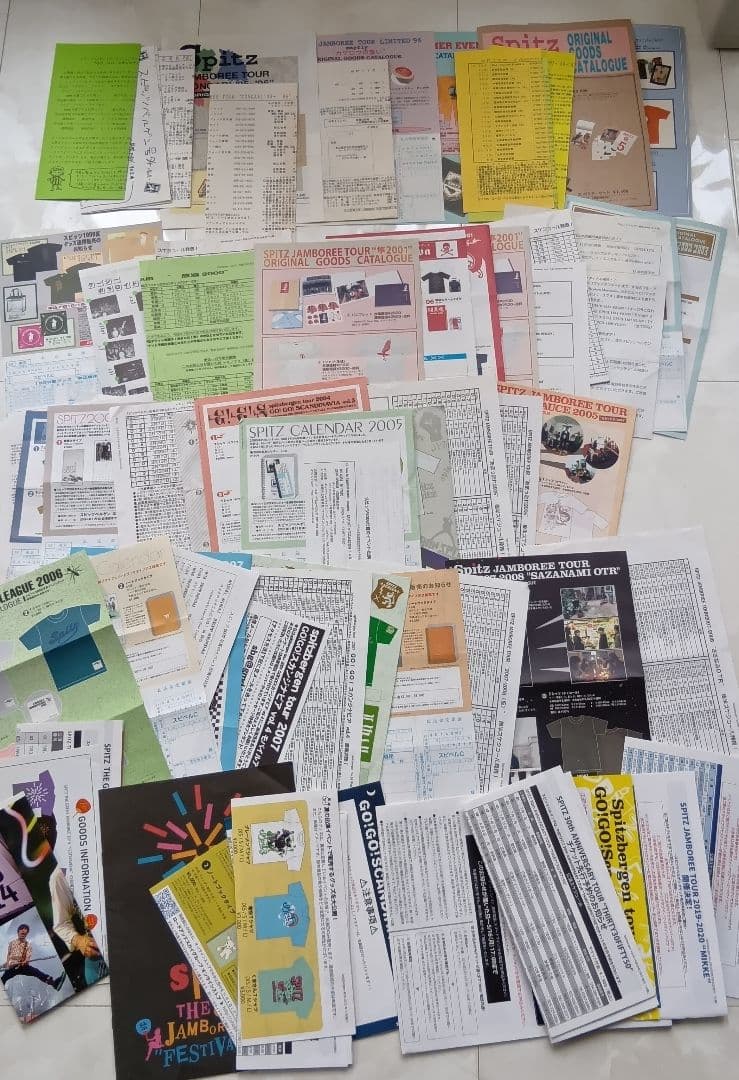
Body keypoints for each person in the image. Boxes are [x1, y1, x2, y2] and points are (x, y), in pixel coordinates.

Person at [1, 924, 65, 991]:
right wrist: (3, 965)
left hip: (22, 967)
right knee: (3, 979)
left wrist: (26, 961)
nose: (23, 932)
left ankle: (54, 984)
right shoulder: (12, 943)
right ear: (18, 932)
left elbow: (27, 957)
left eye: (25, 932)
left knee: (36, 972)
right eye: (22, 930)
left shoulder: (27, 945)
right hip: (11, 968)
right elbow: (9, 958)